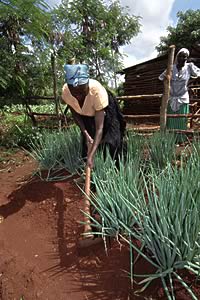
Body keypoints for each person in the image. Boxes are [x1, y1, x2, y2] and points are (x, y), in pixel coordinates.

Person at [62, 63, 126, 169]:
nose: (78, 96)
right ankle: (94, 172)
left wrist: (91, 156)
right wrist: (85, 133)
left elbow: (99, 128)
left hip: (106, 109)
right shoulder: (66, 92)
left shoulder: (97, 93)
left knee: (112, 140)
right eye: (75, 93)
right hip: (86, 113)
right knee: (88, 142)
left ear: (87, 86)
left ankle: (118, 169)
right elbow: (75, 113)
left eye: (82, 92)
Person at [159, 48, 200, 142]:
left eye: (185, 57)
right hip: (171, 98)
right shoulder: (171, 68)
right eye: (180, 56)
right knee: (171, 120)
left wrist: (190, 82)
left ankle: (181, 139)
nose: (182, 58)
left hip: (183, 97)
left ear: (187, 58)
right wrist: (167, 81)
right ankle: (171, 140)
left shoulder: (189, 67)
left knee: (182, 119)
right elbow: (161, 78)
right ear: (177, 57)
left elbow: (198, 73)